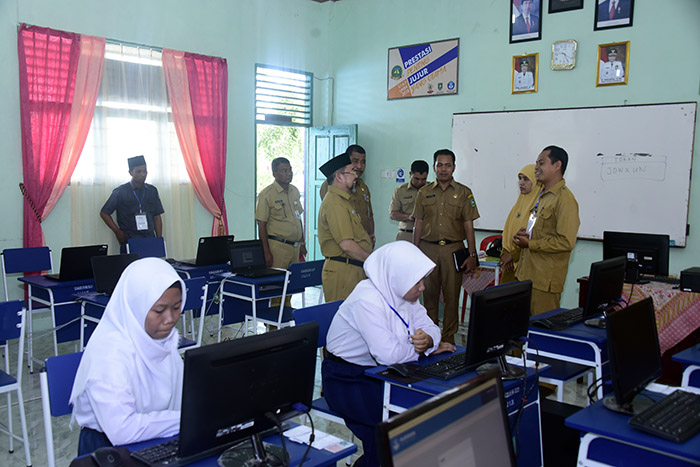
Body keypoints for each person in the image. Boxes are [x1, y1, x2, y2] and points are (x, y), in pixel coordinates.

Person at [323, 242, 456, 467]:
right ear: (397, 277)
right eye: (417, 281)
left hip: (382, 372)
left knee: (419, 412)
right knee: (393, 427)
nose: (422, 287)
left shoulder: (402, 292)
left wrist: (431, 340)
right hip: (346, 377)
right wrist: (422, 349)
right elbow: (389, 355)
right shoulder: (366, 298)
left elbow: (431, 326)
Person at [70, 258, 185, 455]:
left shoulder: (163, 341)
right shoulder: (108, 353)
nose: (170, 319)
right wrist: (188, 419)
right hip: (106, 448)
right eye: (159, 310)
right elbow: (122, 430)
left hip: (158, 434)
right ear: (136, 306)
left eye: (177, 308)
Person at [412, 149, 479, 344]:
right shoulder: (423, 192)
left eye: (447, 165)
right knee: (429, 299)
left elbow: (468, 225)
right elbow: (418, 224)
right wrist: (414, 254)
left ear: (454, 167)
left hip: (454, 251)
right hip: (428, 250)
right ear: (434, 167)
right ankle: (431, 339)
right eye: (439, 165)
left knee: (451, 298)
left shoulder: (464, 192)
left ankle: (449, 339)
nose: (443, 169)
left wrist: (472, 254)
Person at [514, 146, 580, 315]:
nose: (536, 167)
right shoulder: (543, 196)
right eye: (536, 163)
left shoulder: (565, 199)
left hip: (544, 282)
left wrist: (531, 243)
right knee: (523, 332)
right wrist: (525, 236)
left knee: (541, 333)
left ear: (557, 165)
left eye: (541, 163)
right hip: (528, 274)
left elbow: (566, 241)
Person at [317, 153, 373, 302]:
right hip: (343, 271)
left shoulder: (344, 200)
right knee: (341, 321)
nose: (356, 176)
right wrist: (372, 261)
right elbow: (347, 245)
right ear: (339, 177)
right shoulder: (335, 203)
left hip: (352, 268)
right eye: (352, 172)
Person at [255, 157, 306, 306]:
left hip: (294, 247)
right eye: (284, 170)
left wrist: (302, 242)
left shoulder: (294, 191)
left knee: (291, 286)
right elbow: (261, 224)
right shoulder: (267, 195)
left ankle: (283, 320)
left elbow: (298, 218)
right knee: (277, 287)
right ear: (274, 173)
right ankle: (273, 326)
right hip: (278, 247)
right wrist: (266, 252)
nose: (288, 173)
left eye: (290, 170)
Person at [100, 155, 164, 254]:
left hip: (150, 239)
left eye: (145, 171)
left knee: (150, 267)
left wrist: (159, 238)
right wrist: (117, 231)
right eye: (138, 171)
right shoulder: (120, 191)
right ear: (130, 172)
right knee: (132, 267)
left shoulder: (152, 190)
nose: (143, 174)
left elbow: (157, 215)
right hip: (130, 239)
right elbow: (104, 213)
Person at [320, 145, 375, 243]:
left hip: (362, 242)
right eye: (355, 161)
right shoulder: (331, 185)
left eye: (363, 162)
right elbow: (333, 216)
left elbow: (369, 215)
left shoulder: (362, 186)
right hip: (344, 243)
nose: (359, 166)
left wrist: (371, 236)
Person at [500, 164, 542, 284]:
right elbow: (508, 232)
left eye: (526, 179)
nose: (521, 182)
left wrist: (513, 255)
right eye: (520, 178)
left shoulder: (538, 208)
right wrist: (505, 254)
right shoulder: (518, 205)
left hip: (526, 266)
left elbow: (532, 237)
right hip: (509, 265)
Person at [389, 160, 429, 242]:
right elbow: (393, 214)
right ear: (410, 174)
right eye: (416, 178)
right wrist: (409, 217)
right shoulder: (401, 191)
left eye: (423, 179)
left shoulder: (432, 190)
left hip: (427, 236)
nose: (420, 182)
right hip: (406, 235)